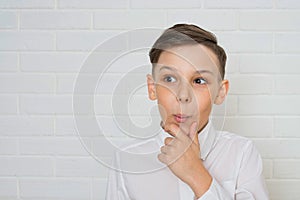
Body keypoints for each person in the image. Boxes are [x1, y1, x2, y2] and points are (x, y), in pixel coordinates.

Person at [106, 24, 269, 199]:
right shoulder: (126, 160)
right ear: (152, 88)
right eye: (169, 79)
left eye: (199, 81)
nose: (183, 95)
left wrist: (196, 175)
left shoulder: (242, 153)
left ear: (220, 92)